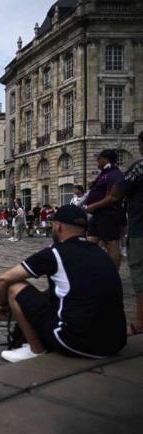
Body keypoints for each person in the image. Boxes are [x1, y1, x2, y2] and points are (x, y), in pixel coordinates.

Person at [0, 205, 126, 362]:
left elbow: (4, 279)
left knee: (14, 288)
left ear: (58, 226)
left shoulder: (55, 252)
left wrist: (2, 305)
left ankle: (36, 350)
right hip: (115, 342)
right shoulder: (101, 253)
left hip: (76, 342)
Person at [114, 131, 143, 336]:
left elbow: (117, 192)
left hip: (140, 228)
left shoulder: (139, 167)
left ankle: (140, 323)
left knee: (140, 276)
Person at [85, 149, 125, 269]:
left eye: (99, 159)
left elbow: (113, 197)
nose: (97, 161)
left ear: (105, 159)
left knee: (111, 244)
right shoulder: (104, 173)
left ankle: (114, 275)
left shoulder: (114, 174)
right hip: (98, 215)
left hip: (109, 214)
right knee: (89, 242)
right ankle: (92, 269)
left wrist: (93, 206)